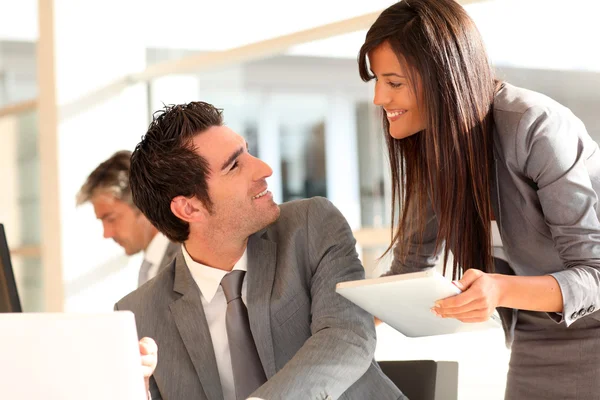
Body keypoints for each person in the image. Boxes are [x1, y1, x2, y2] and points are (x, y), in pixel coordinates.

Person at [359, 0, 600, 399]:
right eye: (376, 82)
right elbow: (409, 269)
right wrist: (337, 324)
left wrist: (500, 290)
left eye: (394, 82)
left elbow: (594, 273)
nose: (379, 98)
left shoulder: (535, 127)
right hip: (537, 330)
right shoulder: (435, 152)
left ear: (443, 77)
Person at [115, 102, 404, 400]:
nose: (264, 169)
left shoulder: (311, 226)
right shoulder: (139, 314)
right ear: (189, 207)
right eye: (234, 165)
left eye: (247, 151)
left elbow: (347, 336)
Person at [77, 150, 179, 287]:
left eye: (111, 219)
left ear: (143, 204)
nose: (106, 233)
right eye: (102, 221)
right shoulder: (151, 266)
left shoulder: (186, 263)